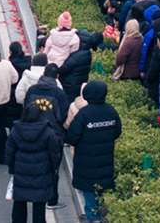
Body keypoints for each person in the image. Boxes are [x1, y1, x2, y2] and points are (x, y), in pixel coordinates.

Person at [66, 81, 122, 223]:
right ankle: (97, 212)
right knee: (100, 185)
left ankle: (92, 216)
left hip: (86, 159)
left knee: (88, 187)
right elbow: (117, 132)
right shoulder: (111, 111)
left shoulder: (83, 114)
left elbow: (72, 137)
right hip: (105, 157)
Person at [5, 102, 62, 223]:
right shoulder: (48, 131)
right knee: (39, 206)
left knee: (19, 204)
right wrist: (53, 168)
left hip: (21, 172)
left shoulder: (16, 130)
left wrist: (12, 168)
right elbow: (54, 154)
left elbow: (9, 153)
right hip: (42, 172)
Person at [23, 64, 69, 210]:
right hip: (54, 136)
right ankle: (51, 200)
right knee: (53, 168)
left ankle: (31, 194)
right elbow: (62, 116)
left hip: (32, 133)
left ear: (43, 73)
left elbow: (26, 109)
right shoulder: (59, 94)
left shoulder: (32, 90)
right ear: (57, 77)